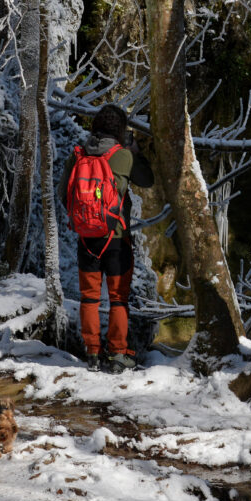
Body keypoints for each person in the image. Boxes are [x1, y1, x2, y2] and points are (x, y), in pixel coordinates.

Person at [62, 105, 153, 373]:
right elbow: (147, 180)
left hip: (87, 239)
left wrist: (85, 218)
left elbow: (63, 192)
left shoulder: (78, 154)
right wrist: (134, 150)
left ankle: (91, 353)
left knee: (89, 297)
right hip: (117, 238)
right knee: (118, 299)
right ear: (121, 129)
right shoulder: (123, 155)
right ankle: (117, 355)